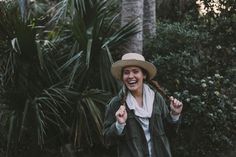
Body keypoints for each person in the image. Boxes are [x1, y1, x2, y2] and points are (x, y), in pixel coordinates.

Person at [103, 53, 183, 157]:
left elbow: (170, 133)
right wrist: (119, 125)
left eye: (135, 71)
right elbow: (107, 140)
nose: (131, 76)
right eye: (126, 73)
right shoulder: (116, 104)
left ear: (144, 75)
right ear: (122, 77)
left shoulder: (157, 99)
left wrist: (174, 115)